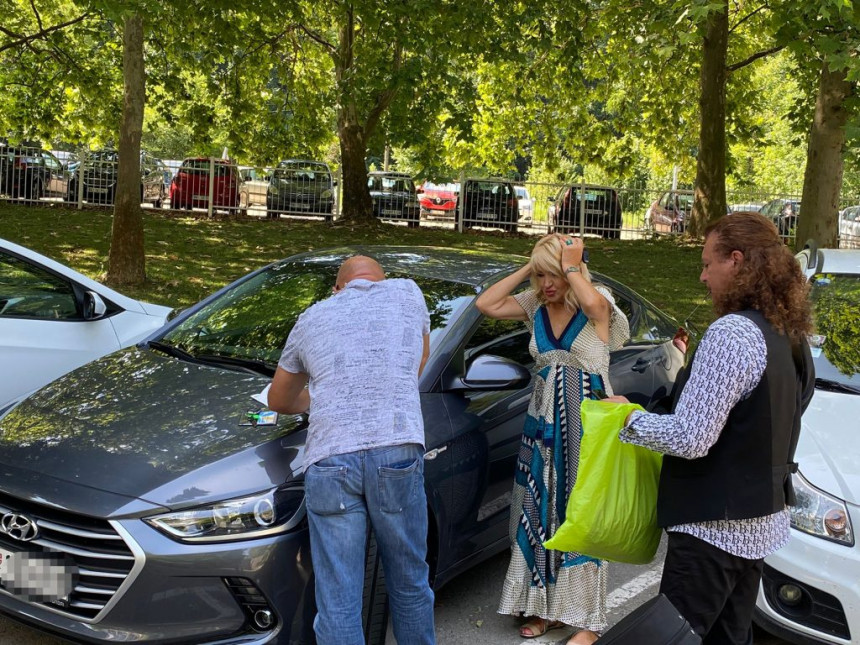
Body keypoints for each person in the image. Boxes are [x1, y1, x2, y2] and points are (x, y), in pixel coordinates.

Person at [608, 212, 815, 644]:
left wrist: (627, 418)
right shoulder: (789, 333)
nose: (702, 276)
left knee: (675, 636)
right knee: (729, 638)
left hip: (711, 526)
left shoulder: (733, 334)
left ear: (735, 261)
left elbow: (691, 438)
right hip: (760, 519)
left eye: (707, 263)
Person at [267, 255, 436, 645]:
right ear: (382, 281)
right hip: (397, 451)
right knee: (410, 581)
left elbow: (279, 398)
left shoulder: (312, 317)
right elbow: (417, 362)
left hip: (330, 461)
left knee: (338, 599)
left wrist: (320, 398)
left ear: (336, 289)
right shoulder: (408, 294)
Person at [475, 234, 630, 643]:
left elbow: (594, 305)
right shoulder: (535, 308)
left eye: (554, 276)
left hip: (588, 427)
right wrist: (532, 265)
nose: (547, 285)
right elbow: (486, 304)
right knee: (541, 512)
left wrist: (572, 266)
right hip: (542, 426)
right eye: (541, 277)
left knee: (583, 518)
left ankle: (590, 622)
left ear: (573, 272)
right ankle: (545, 610)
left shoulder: (597, 299)